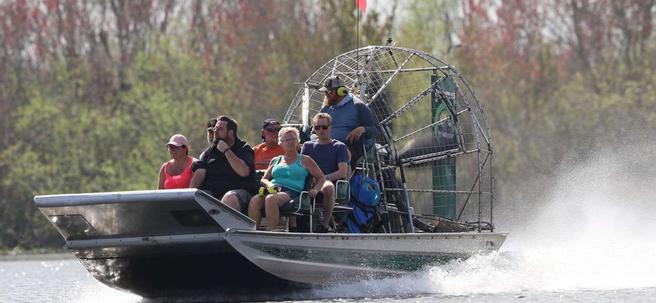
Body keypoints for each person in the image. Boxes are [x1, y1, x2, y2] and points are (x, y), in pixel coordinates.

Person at [248, 127, 325, 231]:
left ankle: (273, 231)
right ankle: (253, 232)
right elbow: (264, 179)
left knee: (271, 199)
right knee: (255, 201)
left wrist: (315, 190)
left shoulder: (306, 160)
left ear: (298, 142)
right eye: (287, 140)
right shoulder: (276, 160)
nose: (291, 142)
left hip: (292, 192)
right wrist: (270, 185)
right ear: (281, 143)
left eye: (294, 139)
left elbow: (321, 178)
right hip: (273, 189)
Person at [190, 115, 257, 212]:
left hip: (239, 193)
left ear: (231, 132)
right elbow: (200, 172)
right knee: (198, 197)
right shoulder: (210, 152)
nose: (215, 132)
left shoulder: (244, 149)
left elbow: (244, 172)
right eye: (215, 129)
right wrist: (190, 193)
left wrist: (227, 151)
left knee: (230, 198)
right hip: (213, 193)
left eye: (220, 129)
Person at [301, 113, 349, 232]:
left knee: (329, 188)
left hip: (326, 181)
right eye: (317, 127)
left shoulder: (339, 146)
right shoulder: (307, 146)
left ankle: (324, 225)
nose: (321, 130)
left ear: (330, 127)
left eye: (324, 127)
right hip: (309, 180)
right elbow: (301, 167)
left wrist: (322, 178)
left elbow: (342, 172)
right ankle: (293, 225)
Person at [319, 75, 379, 168]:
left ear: (341, 91)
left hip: (350, 148)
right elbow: (313, 131)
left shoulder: (358, 106)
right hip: (326, 146)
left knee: (336, 155)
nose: (326, 95)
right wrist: (314, 139)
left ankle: (339, 179)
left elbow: (376, 130)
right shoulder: (326, 109)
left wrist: (362, 129)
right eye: (325, 92)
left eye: (329, 92)